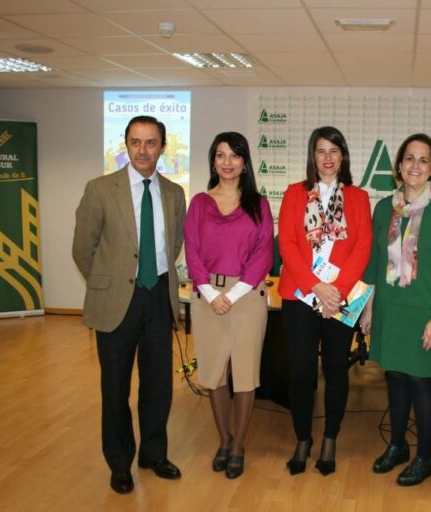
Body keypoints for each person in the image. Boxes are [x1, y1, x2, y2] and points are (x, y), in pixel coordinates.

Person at [72, 115, 186, 495]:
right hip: (118, 299)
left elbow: (174, 244)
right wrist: (109, 283)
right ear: (125, 145)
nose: (142, 150)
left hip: (158, 297)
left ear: (162, 147)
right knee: (115, 387)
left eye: (150, 142)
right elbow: (82, 249)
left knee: (158, 385)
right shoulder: (100, 189)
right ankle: (119, 463)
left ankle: (153, 454)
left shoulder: (173, 193)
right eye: (135, 142)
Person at [360, 133, 431, 486]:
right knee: (394, 377)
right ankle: (397, 445)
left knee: (421, 381)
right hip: (390, 308)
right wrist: (369, 309)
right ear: (399, 166)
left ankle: (425, 455)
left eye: (423, 160)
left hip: (425, 312)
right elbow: (376, 263)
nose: (415, 166)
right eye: (409, 158)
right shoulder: (383, 208)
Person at [278, 126, 372, 476]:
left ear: (343, 156)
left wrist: (338, 289)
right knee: (301, 372)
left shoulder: (359, 198)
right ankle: (303, 438)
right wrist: (316, 285)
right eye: (321, 151)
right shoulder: (294, 194)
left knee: (336, 371)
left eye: (334, 150)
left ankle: (330, 437)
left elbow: (362, 246)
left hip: (342, 299)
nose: (328, 157)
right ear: (312, 156)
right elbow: (286, 244)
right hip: (301, 295)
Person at [183, 132, 273, 480]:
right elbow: (192, 249)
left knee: (245, 375)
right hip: (207, 297)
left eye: (234, 155)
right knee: (213, 373)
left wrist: (231, 297)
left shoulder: (258, 205)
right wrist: (209, 292)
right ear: (213, 161)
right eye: (220, 155)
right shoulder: (200, 203)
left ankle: (239, 446)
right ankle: (224, 440)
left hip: (247, 297)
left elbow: (263, 254)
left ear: (244, 162)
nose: (227, 161)